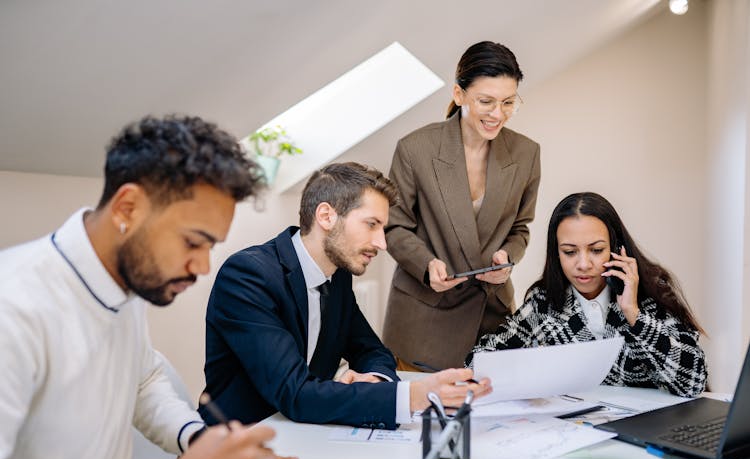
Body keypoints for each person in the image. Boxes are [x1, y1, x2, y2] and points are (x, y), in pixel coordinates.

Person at [0, 115, 297, 459]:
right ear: (127, 209)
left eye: (211, 247)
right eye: (193, 243)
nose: (203, 267)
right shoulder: (14, 305)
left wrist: (201, 440)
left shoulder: (125, 284)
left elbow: (143, 381)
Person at [200, 162, 491, 430]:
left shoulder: (337, 275)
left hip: (302, 435)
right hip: (240, 443)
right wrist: (412, 396)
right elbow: (295, 394)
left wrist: (375, 381)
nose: (381, 243)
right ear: (326, 216)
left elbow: (372, 351)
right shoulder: (248, 276)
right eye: (371, 224)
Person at [382, 41, 541, 371]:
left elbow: (520, 228)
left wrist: (508, 257)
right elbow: (394, 225)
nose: (498, 114)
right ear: (459, 94)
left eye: (508, 103)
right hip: (424, 322)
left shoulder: (527, 154)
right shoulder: (415, 149)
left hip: (492, 321)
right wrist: (426, 264)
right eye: (486, 101)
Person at [467, 192, 707, 397]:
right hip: (575, 432)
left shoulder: (649, 292)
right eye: (570, 252)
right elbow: (478, 362)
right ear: (556, 254)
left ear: (616, 247)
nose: (583, 264)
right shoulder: (544, 302)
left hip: (649, 431)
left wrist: (633, 313)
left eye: (596, 250)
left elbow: (694, 381)